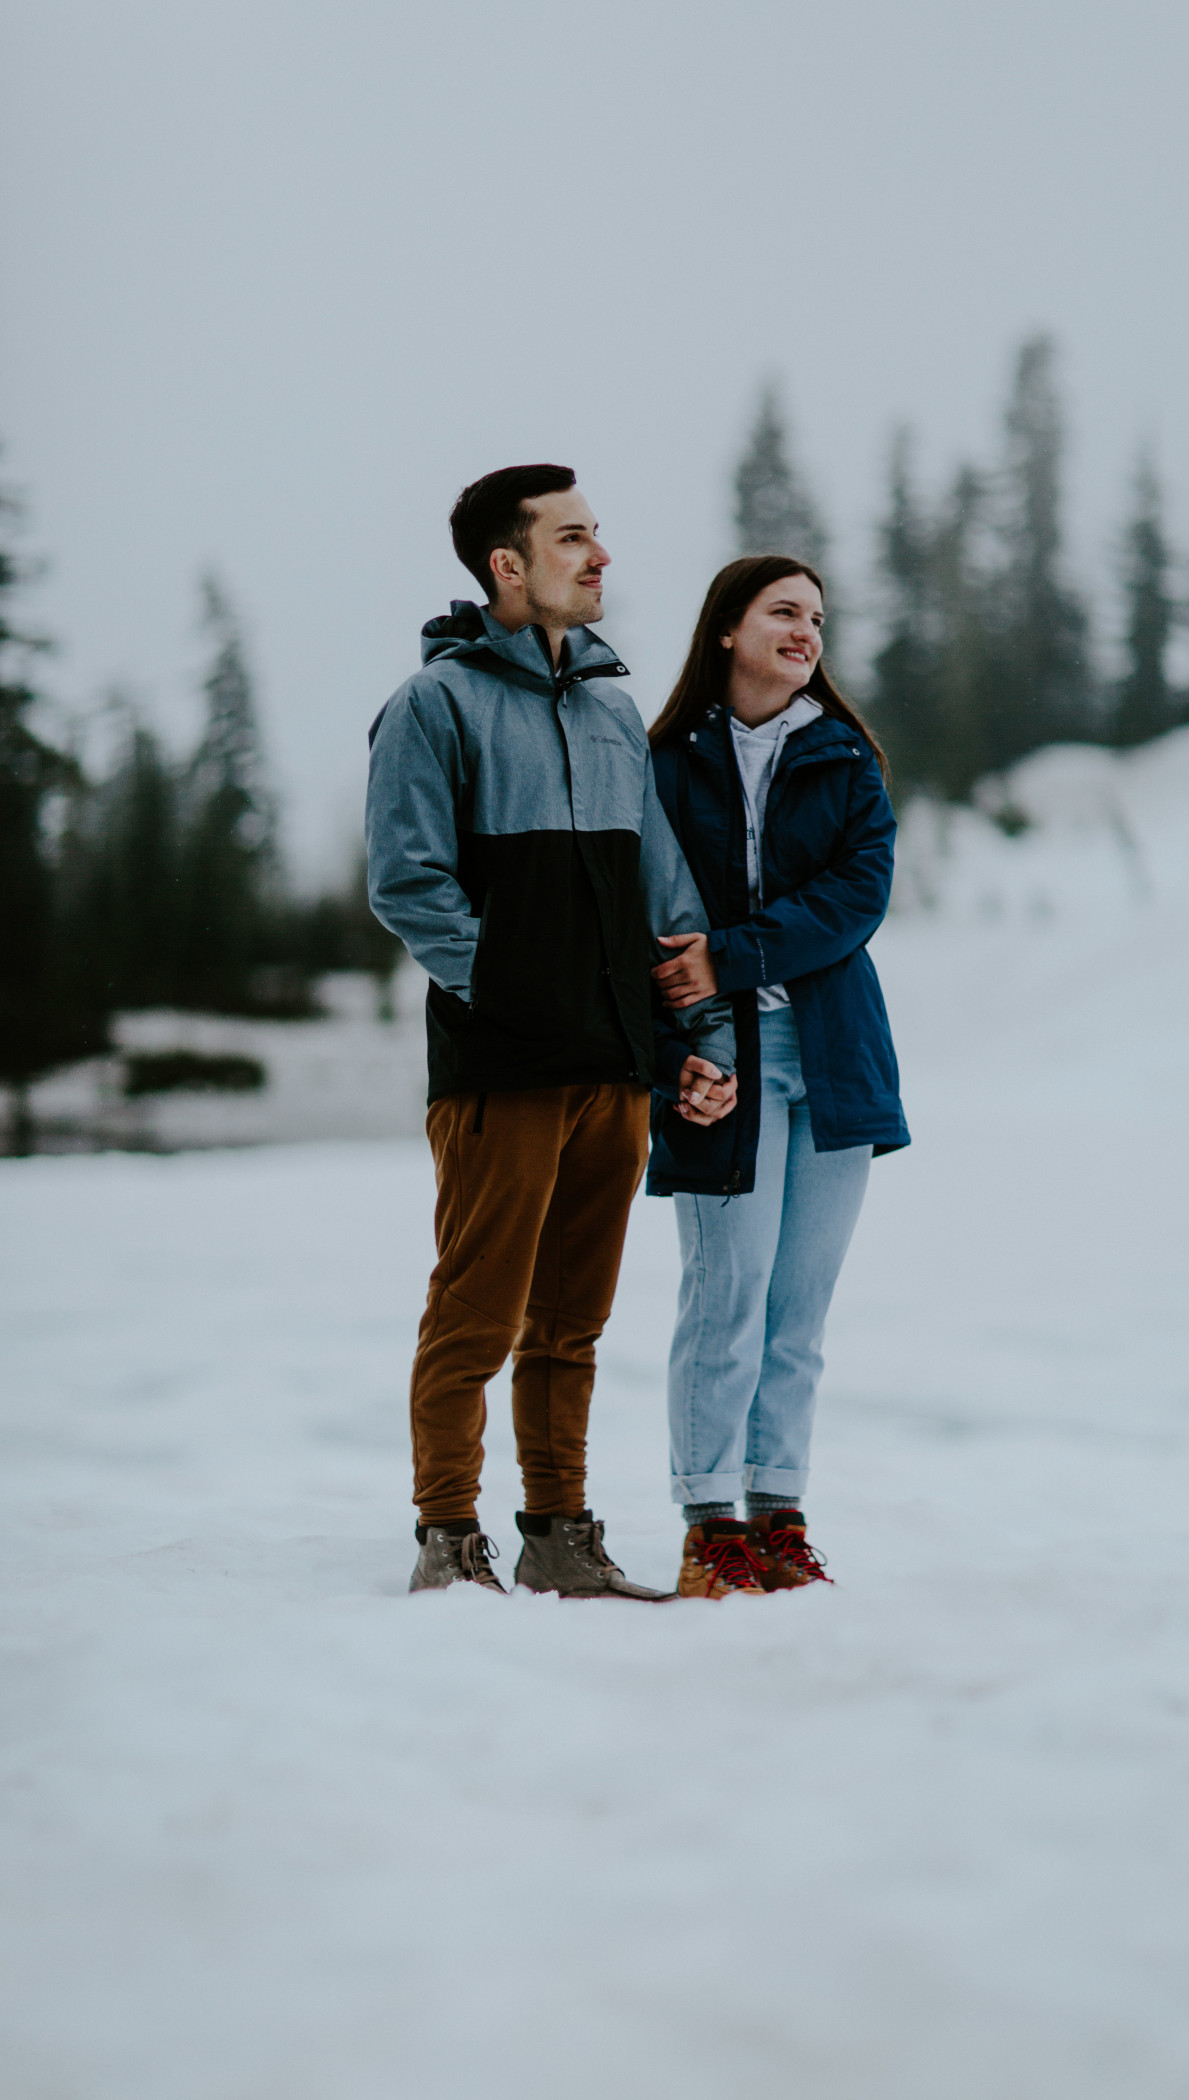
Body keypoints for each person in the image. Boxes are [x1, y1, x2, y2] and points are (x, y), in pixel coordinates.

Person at [366, 464, 736, 1599]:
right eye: (573, 538)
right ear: (506, 567)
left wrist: (700, 1038)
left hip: (615, 1065)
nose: (601, 556)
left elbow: (663, 900)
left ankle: (559, 1533)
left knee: (571, 1321)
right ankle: (447, 1536)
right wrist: (514, 993)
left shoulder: (614, 711)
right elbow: (409, 884)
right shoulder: (436, 705)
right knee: (475, 1311)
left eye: (598, 535)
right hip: (502, 1067)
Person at [646, 555, 909, 1599]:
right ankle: (710, 1525)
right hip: (719, 1063)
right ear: (726, 629)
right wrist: (674, 1063)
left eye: (816, 617)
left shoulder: (845, 758)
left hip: (834, 1062)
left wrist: (732, 953)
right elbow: (639, 929)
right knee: (728, 1294)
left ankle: (776, 1513)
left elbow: (858, 896)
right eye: (782, 612)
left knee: (797, 1307)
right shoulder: (663, 763)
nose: (805, 631)